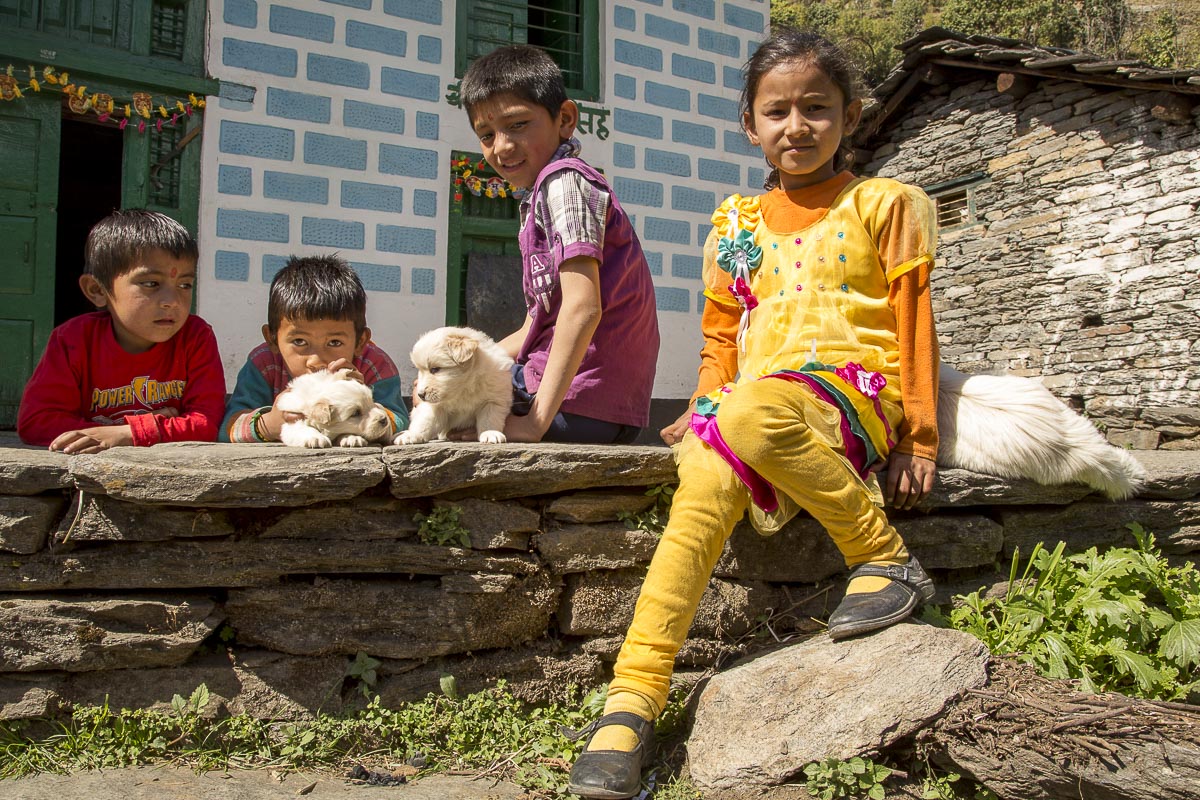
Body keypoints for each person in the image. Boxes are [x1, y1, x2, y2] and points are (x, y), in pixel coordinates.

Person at [566, 29, 942, 798]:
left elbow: (914, 322)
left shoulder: (886, 203)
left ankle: (882, 553)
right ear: (749, 124)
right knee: (700, 485)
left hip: (852, 392)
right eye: (776, 111)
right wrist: (704, 402)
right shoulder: (734, 223)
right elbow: (718, 335)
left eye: (816, 108)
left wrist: (920, 436)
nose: (795, 126)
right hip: (757, 400)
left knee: (747, 415)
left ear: (851, 115)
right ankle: (631, 702)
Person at [459, 44, 660, 444]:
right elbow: (536, 324)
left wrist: (534, 422)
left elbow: (583, 308)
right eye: (486, 134)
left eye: (517, 125)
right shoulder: (545, 192)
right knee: (447, 381)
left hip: (577, 403)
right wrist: (469, 361)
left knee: (446, 405)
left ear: (565, 119)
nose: (500, 147)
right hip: (604, 407)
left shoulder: (564, 182)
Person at [17, 209, 225, 453]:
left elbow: (206, 424)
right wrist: (157, 425)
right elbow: (36, 422)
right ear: (97, 290)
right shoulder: (73, 340)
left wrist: (128, 433)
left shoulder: (196, 337)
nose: (172, 301)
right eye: (151, 284)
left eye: (184, 285)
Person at [220, 254, 408, 442]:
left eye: (334, 342)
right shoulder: (264, 364)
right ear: (273, 339)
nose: (316, 360)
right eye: (300, 342)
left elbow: (400, 420)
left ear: (360, 342)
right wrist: (268, 425)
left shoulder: (373, 364)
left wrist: (362, 405)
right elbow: (227, 428)